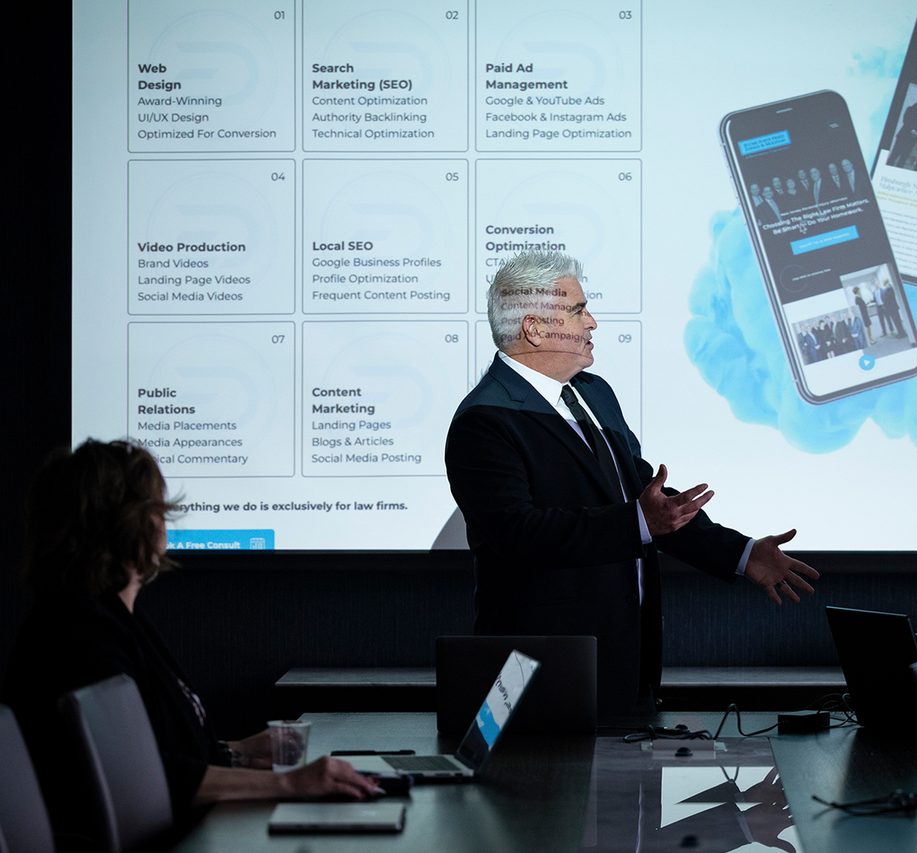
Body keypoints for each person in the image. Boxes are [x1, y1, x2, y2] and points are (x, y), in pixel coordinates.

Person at [444, 251, 819, 716]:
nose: (593, 323)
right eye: (578, 311)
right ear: (535, 329)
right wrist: (636, 521)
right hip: (543, 673)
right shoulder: (485, 419)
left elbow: (651, 505)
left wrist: (741, 554)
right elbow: (518, 535)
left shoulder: (593, 392)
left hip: (623, 662)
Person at [1, 440, 380, 840]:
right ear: (131, 525)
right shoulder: (77, 638)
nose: (164, 521)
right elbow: (143, 779)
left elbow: (156, 752)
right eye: (156, 509)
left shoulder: (111, 620)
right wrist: (293, 784)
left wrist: (239, 752)